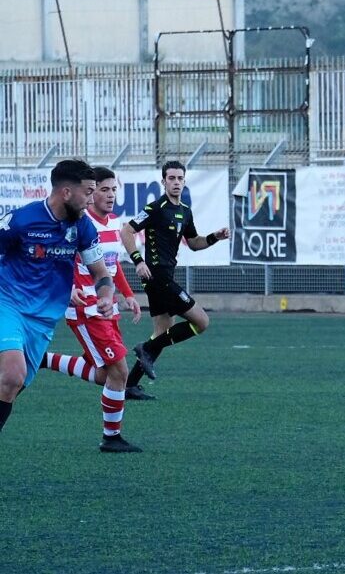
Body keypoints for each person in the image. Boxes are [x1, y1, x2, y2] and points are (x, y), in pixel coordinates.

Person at [0, 159, 122, 448]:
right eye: (88, 192)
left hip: (42, 321)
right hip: (8, 304)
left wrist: (105, 296)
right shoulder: (21, 221)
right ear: (66, 192)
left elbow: (101, 274)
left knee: (13, 386)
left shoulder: (82, 228)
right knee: (12, 373)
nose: (91, 199)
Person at [40, 167, 145, 453]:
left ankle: (43, 359)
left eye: (114, 190)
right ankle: (111, 438)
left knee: (106, 375)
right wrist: (68, 287)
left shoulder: (114, 223)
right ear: (90, 192)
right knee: (120, 371)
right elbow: (56, 260)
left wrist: (127, 294)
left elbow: (109, 268)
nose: (110, 195)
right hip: (85, 310)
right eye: (104, 189)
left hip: (106, 307)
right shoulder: (79, 225)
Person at [120, 160, 229, 396]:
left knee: (163, 330)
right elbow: (126, 230)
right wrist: (138, 261)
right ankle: (146, 348)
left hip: (165, 276)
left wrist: (214, 237)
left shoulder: (184, 211)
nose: (176, 182)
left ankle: (129, 384)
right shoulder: (155, 208)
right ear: (163, 181)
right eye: (171, 178)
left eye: (180, 178)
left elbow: (194, 243)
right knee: (202, 322)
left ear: (184, 181)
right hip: (157, 277)